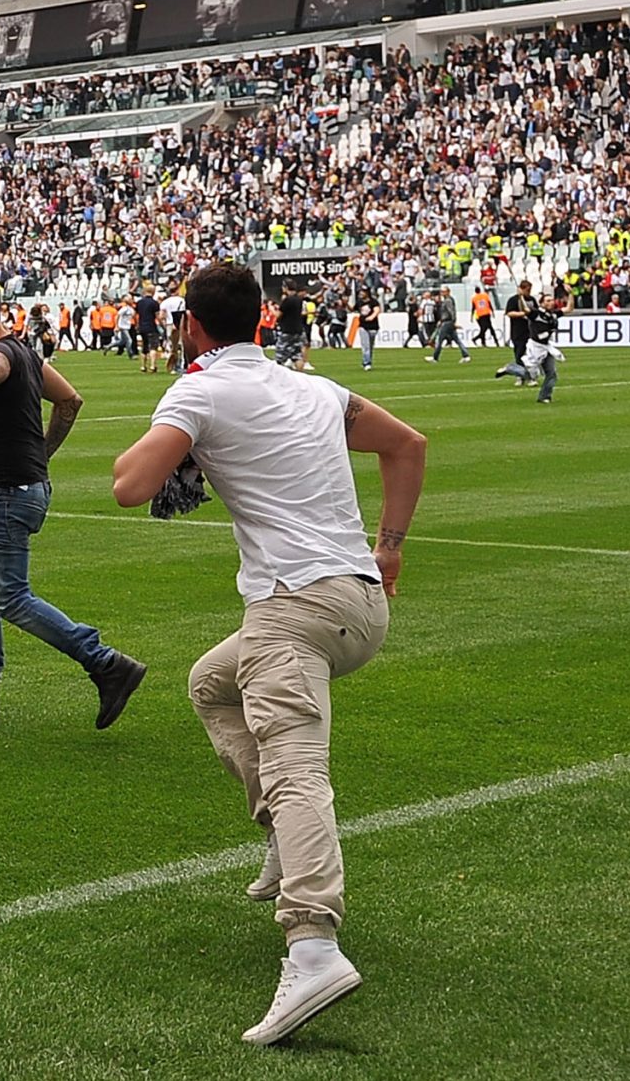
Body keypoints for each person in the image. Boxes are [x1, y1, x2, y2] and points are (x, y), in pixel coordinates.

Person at [110, 260, 426, 1047]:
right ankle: (286, 841)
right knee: (212, 683)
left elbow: (129, 485)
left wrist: (177, 431)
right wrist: (389, 550)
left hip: (296, 605)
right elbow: (407, 445)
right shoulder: (311, 386)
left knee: (296, 767)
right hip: (357, 599)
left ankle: (314, 943)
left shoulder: (201, 388)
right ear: (260, 321)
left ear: (190, 325)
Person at [0, 266, 146, 728]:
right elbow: (70, 401)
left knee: (12, 599)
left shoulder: (0, 355)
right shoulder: (24, 351)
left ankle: (105, 662)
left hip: (5, 496)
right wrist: (39, 457)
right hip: (21, 489)